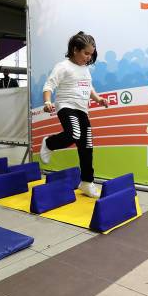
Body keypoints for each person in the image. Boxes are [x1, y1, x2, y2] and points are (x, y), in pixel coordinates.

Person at [39, 31, 108, 198]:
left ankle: (87, 182)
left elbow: (88, 87)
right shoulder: (63, 67)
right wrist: (47, 102)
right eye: (86, 53)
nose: (88, 57)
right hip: (66, 106)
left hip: (82, 109)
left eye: (91, 54)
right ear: (75, 49)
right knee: (73, 134)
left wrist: (98, 99)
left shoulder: (85, 69)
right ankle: (49, 143)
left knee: (87, 146)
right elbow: (49, 85)